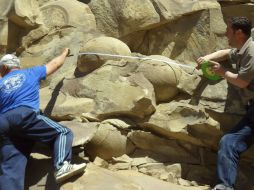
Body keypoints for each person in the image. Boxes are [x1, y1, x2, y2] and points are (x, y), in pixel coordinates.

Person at [0, 48, 86, 190]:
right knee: (62, 133)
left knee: (12, 164)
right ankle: (62, 167)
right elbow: (55, 64)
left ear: (3, 68)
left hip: (3, 122)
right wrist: (65, 52)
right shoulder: (30, 72)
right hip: (24, 115)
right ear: (17, 66)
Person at [196, 17, 254, 190]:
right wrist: (205, 58)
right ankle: (224, 187)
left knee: (229, 142)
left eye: (228, 30)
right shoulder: (243, 49)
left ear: (238, 32)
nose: (226, 34)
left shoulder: (252, 52)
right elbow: (227, 53)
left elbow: (242, 81)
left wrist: (222, 71)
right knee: (229, 142)